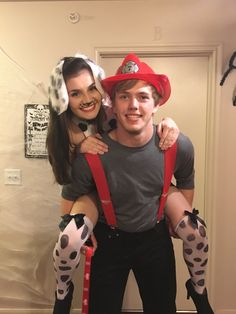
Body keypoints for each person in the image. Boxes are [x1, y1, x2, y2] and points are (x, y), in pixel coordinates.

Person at [60, 53, 214, 314]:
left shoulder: (178, 145)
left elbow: (186, 180)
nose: (133, 105)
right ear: (114, 105)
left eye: (142, 97)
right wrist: (78, 235)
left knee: (162, 307)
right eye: (124, 97)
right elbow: (69, 198)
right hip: (108, 239)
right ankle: (61, 296)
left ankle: (198, 290)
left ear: (156, 105)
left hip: (155, 239)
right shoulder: (93, 151)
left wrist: (174, 221)